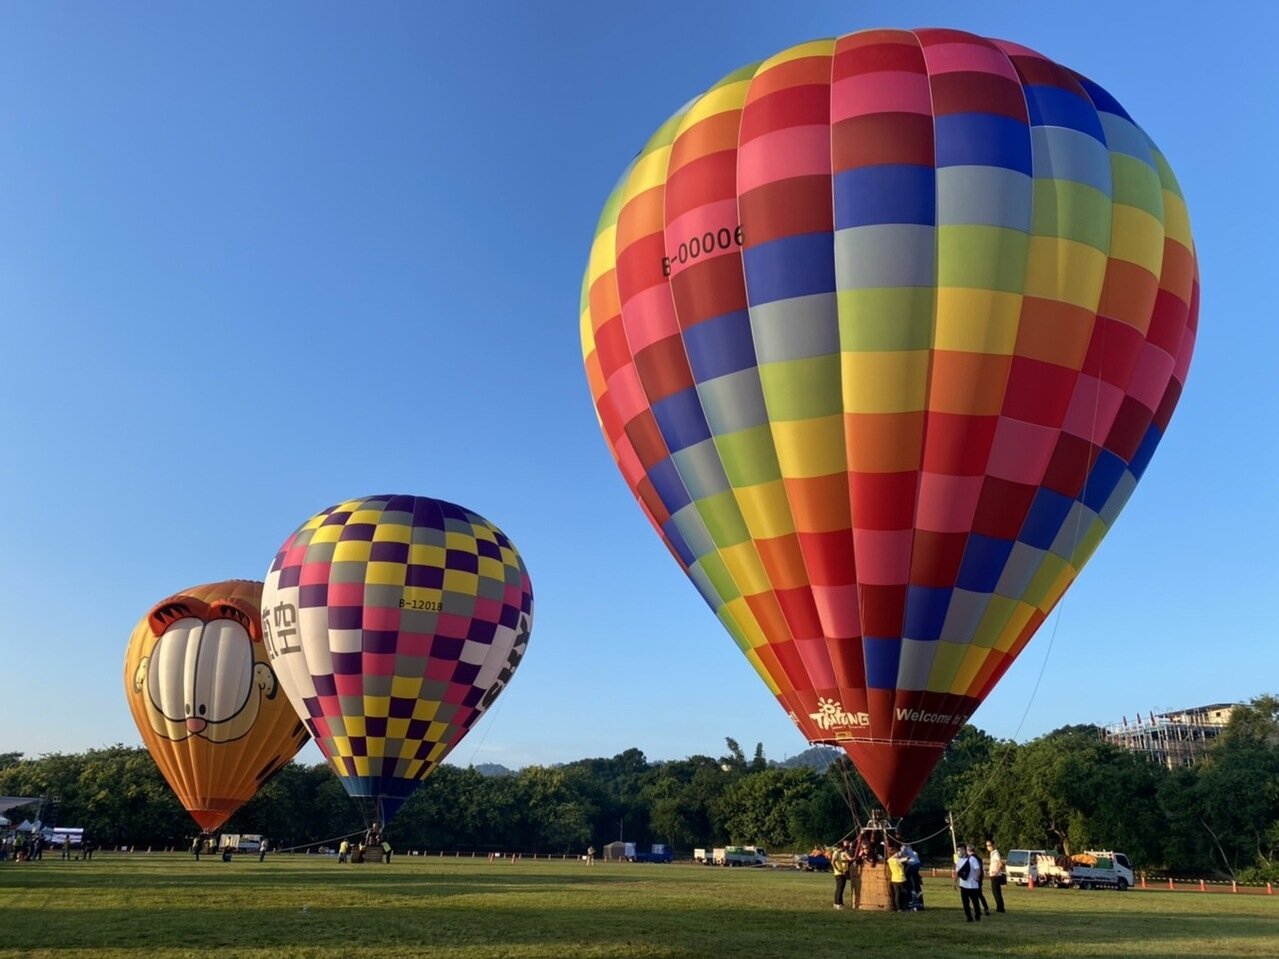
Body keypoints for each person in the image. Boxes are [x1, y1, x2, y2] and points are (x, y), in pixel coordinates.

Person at [954, 845, 983, 922]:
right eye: (957, 850)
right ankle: (968, 916)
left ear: (964, 850)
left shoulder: (972, 859)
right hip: (963, 885)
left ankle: (977, 915)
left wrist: (976, 878)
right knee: (965, 902)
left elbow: (978, 869)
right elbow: (957, 872)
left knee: (975, 901)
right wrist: (955, 882)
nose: (958, 852)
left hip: (972, 885)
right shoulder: (959, 860)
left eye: (959, 850)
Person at [831, 839, 853, 910]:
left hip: (842, 873)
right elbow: (833, 862)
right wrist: (837, 869)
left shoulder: (842, 853)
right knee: (839, 889)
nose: (844, 848)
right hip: (839, 873)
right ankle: (838, 904)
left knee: (840, 889)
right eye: (843, 847)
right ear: (840, 847)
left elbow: (850, 859)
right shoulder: (836, 853)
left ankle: (837, 903)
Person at [986, 840, 1006, 913]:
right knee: (996, 892)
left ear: (993, 845)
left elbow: (1000, 863)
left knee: (996, 892)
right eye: (987, 845)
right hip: (993, 875)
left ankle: (1000, 908)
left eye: (989, 845)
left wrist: (996, 872)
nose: (988, 847)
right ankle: (999, 907)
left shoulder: (995, 853)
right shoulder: (992, 853)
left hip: (995, 876)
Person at [887, 844, 909, 911]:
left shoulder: (889, 860)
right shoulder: (897, 860)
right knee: (904, 893)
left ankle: (898, 908)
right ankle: (904, 906)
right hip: (901, 879)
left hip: (894, 879)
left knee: (897, 894)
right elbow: (905, 859)